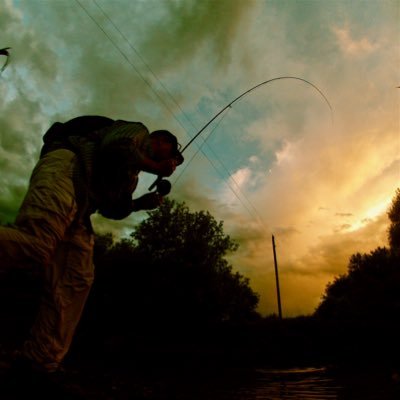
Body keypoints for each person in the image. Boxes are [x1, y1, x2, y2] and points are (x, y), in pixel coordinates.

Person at [0, 116, 184, 379]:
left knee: (77, 278)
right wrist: (157, 167)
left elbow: (111, 209)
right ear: (161, 140)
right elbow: (117, 146)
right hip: (67, 168)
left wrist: (139, 204)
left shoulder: (130, 177)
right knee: (35, 245)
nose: (174, 161)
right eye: (173, 153)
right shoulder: (138, 132)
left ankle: (38, 363)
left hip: (81, 205)